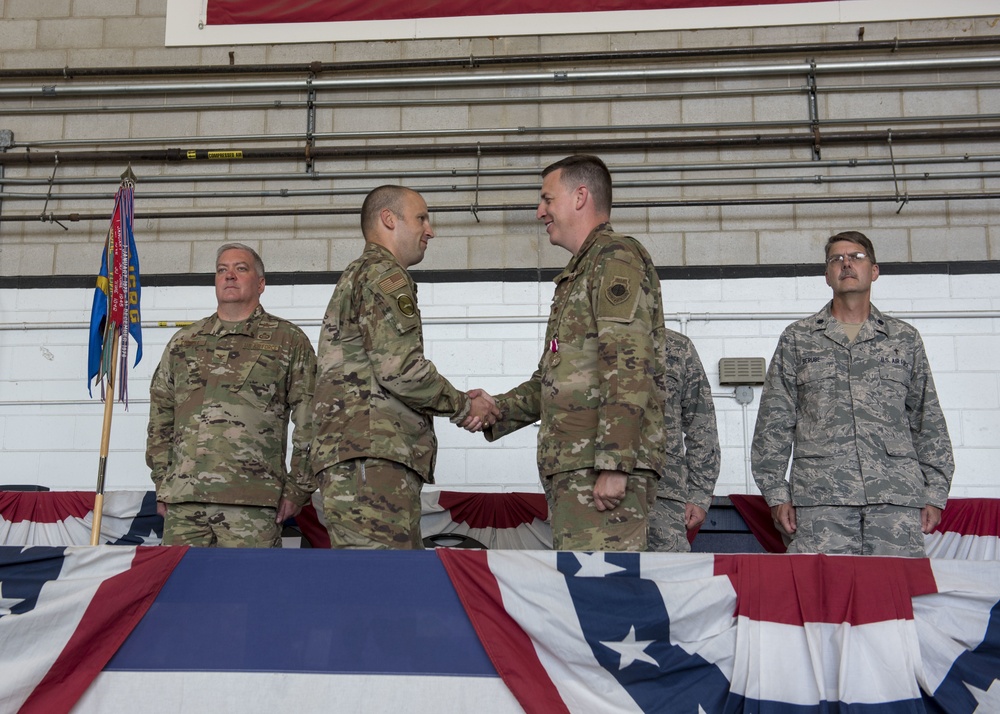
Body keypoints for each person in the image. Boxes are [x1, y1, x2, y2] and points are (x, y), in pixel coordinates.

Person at [483, 155, 668, 551]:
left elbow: (627, 364)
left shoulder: (615, 258)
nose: (539, 212)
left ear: (580, 196)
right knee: (583, 597)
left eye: (547, 199)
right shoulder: (577, 274)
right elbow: (551, 384)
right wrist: (493, 410)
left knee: (601, 596)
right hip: (575, 469)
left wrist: (615, 466)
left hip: (599, 472)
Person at [310, 185, 498, 549]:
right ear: (388, 220)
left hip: (365, 460)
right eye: (421, 218)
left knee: (386, 586)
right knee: (380, 590)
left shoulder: (362, 275)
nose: (431, 230)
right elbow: (402, 371)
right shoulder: (385, 277)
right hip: (373, 462)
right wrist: (464, 405)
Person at [751, 231, 954, 556]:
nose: (846, 264)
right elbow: (773, 425)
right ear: (827, 275)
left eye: (856, 257)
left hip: (895, 501)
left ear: (874, 270)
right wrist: (777, 494)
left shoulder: (904, 339)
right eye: (837, 259)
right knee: (823, 599)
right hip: (820, 501)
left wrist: (935, 493)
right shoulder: (798, 339)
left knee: (893, 599)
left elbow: (927, 420)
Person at [146, 243, 317, 547]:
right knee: (181, 592)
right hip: (185, 503)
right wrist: (162, 481)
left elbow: (311, 420)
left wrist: (298, 489)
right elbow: (161, 416)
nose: (229, 276)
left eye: (241, 268)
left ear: (261, 284)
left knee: (249, 591)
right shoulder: (184, 342)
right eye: (222, 270)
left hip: (251, 502)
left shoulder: (288, 341)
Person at [648, 328, 721, 552]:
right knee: (591, 581)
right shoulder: (580, 339)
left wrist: (699, 493)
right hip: (588, 494)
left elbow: (701, 424)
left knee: (666, 581)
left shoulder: (676, 346)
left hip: (662, 496)